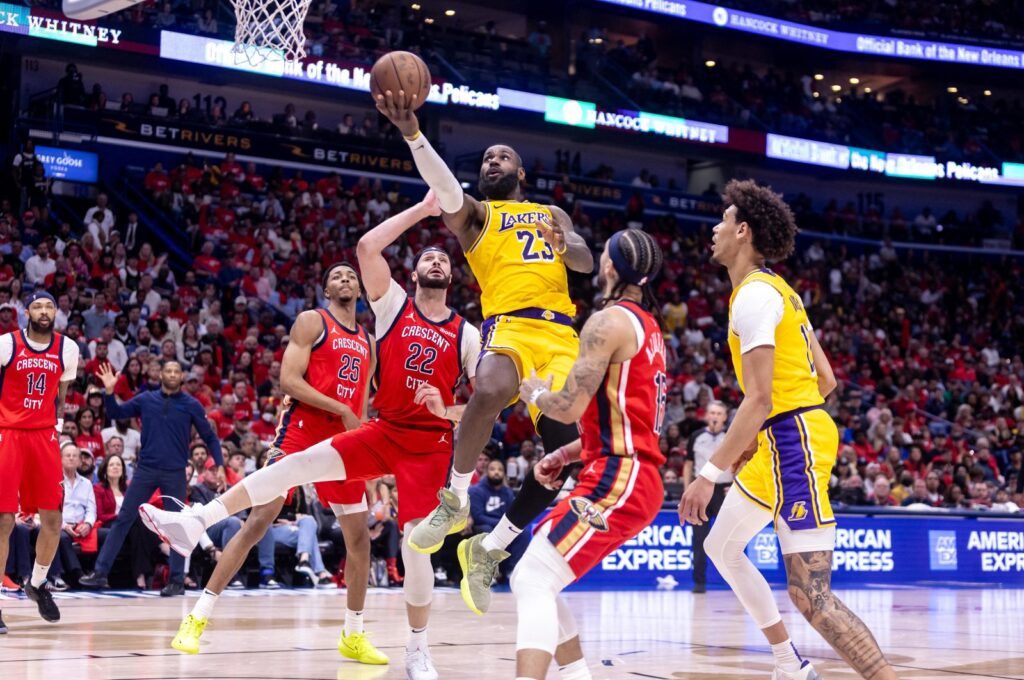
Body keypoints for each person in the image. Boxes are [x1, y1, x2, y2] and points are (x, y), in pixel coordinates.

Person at [138, 194, 480, 680]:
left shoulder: (387, 336)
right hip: (315, 430)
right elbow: (293, 377)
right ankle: (197, 580)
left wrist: (438, 410)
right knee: (263, 512)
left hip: (410, 442)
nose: (436, 260)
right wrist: (426, 209)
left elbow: (481, 403)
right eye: (428, 255)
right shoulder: (332, 318)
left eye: (444, 258)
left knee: (373, 542)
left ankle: (378, 638)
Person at [375, 86, 593, 616]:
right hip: (511, 327)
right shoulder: (477, 216)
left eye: (504, 157)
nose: (492, 161)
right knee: (491, 388)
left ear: (522, 174)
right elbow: (445, 186)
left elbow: (585, 264)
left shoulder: (550, 212)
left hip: (562, 336)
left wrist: (563, 239)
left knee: (569, 455)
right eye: (487, 157)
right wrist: (413, 133)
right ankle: (454, 498)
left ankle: (489, 548)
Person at [679, 179, 896, 680]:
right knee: (721, 546)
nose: (714, 228)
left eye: (723, 220)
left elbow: (758, 399)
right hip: (787, 436)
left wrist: (709, 473)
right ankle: (788, 664)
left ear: (744, 231)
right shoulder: (784, 293)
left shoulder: (753, 297)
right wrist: (783, 422)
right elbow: (826, 379)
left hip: (790, 440)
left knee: (811, 595)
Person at [165, 262, 380, 662]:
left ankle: (353, 633)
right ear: (327, 289)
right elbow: (289, 381)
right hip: (303, 429)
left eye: (351, 275)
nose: (346, 279)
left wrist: (360, 430)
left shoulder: (368, 339)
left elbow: (363, 401)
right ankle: (196, 617)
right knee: (259, 520)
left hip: (346, 441)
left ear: (360, 289)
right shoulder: (312, 321)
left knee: (359, 539)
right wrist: (340, 408)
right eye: (336, 276)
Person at [511, 228, 667, 679]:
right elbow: (620, 419)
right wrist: (567, 454)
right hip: (623, 468)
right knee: (540, 571)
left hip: (622, 475)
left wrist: (537, 395)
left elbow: (570, 405)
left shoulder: (607, 321)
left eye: (602, 255)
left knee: (534, 578)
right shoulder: (650, 327)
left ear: (612, 266)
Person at [77, 360, 224, 596]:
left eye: (177, 371)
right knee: (124, 517)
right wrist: (109, 390)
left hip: (175, 472)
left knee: (177, 525)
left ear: (182, 377)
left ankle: (176, 581)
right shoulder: (146, 399)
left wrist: (220, 465)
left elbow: (210, 437)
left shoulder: (191, 405)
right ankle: (100, 573)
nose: (173, 374)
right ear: (161, 375)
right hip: (146, 469)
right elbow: (116, 412)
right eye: (168, 370)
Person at [0, 291, 80, 631]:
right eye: (37, 306)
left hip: (44, 436)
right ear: (26, 312)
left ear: (55, 312)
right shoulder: (7, 344)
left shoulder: (68, 348)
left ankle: (38, 582)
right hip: (8, 433)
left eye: (49, 306)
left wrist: (57, 428)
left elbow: (61, 396)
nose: (44, 311)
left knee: (53, 519)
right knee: (3, 520)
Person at [684, 400, 731, 593]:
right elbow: (688, 464)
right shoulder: (696, 436)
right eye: (712, 413)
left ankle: (734, 582)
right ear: (706, 415)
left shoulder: (731, 436)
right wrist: (687, 489)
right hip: (701, 491)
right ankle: (699, 582)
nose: (715, 416)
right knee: (699, 539)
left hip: (725, 490)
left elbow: (742, 463)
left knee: (731, 538)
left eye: (719, 413)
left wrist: (736, 486)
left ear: (725, 417)